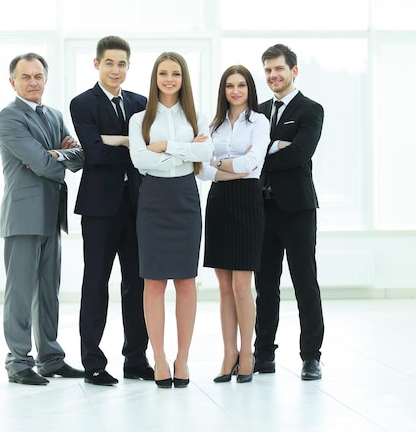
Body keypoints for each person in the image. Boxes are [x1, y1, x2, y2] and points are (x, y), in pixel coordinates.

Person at [0, 52, 86, 385]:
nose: (32, 82)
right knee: (20, 291)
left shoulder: (54, 115)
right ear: (13, 82)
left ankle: (50, 357)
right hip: (23, 215)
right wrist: (53, 158)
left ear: (45, 80)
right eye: (25, 77)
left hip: (52, 216)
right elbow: (45, 164)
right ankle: (18, 362)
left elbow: (79, 157)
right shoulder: (9, 117)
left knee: (49, 290)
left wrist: (58, 154)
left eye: (38, 76)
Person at [70, 36, 152, 386]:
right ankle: (93, 363)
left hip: (137, 206)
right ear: (96, 64)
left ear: (128, 67)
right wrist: (130, 145)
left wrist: (113, 140)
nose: (115, 70)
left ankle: (136, 359)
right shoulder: (83, 103)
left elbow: (147, 150)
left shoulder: (141, 102)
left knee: (138, 284)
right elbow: (94, 153)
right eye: (109, 63)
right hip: (100, 209)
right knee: (96, 284)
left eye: (121, 64)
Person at [129, 52, 213, 388]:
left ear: (183, 78)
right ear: (155, 77)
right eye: (163, 73)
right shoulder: (140, 119)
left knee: (186, 281)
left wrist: (163, 148)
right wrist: (182, 151)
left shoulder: (197, 116)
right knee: (153, 282)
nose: (169, 79)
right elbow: (139, 161)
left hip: (185, 198)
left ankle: (182, 359)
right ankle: (160, 358)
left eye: (175, 73)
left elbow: (205, 154)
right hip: (152, 199)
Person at [254, 43, 325, 380]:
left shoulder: (311, 109)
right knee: (265, 285)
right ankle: (263, 355)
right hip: (262, 209)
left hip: (297, 209)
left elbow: (299, 155)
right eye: (268, 70)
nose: (273, 75)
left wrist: (262, 153)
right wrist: (275, 146)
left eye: (279, 69)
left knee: (304, 283)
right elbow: (244, 153)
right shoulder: (256, 111)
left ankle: (311, 356)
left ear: (293, 70)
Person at [198, 65, 270, 384]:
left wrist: (218, 164)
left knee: (242, 286)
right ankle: (228, 354)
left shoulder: (259, 122)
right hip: (219, 202)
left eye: (241, 85)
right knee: (224, 287)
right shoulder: (212, 126)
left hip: (247, 202)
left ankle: (247, 354)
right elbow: (200, 169)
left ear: (249, 89)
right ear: (223, 90)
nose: (236, 91)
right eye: (230, 85)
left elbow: (252, 163)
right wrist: (226, 167)